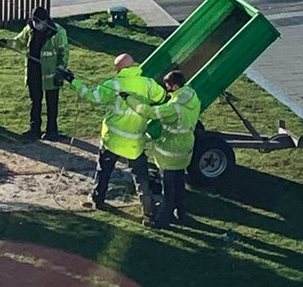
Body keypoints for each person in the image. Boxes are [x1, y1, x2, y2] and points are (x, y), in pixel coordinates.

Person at [58, 52, 165, 223]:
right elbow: (161, 97)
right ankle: (148, 208)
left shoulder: (114, 84)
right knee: (141, 176)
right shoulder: (148, 84)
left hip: (113, 139)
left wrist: (72, 80)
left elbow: (92, 97)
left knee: (104, 172)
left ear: (119, 69)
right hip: (135, 140)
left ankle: (98, 200)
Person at [137, 69, 201, 229]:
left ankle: (162, 220)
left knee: (168, 190)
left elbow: (150, 112)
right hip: (185, 149)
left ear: (174, 85)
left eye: (168, 86)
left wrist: (130, 100)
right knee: (179, 184)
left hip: (170, 153)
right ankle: (181, 213)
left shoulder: (173, 107)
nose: (166, 89)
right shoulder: (192, 96)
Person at [0, 6, 69, 140]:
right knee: (35, 101)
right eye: (34, 22)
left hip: (51, 74)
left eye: (40, 22)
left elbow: (64, 53)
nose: (37, 25)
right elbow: (19, 42)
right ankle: (34, 129)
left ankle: (52, 131)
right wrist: (6, 43)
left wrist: (60, 71)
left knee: (52, 103)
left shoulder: (58, 32)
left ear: (46, 20)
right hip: (34, 71)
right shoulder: (29, 29)